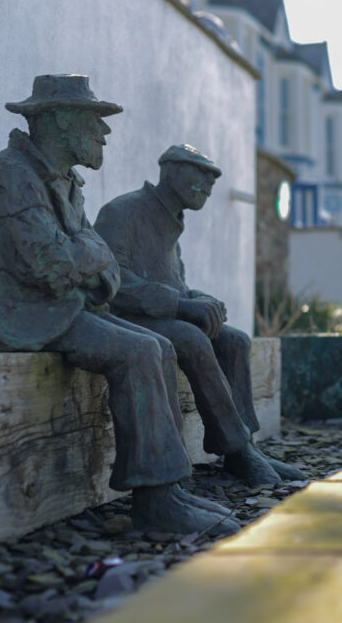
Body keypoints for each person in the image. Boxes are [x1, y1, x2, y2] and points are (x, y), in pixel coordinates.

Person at [0, 75, 237, 535]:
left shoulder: (65, 182)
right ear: (60, 122)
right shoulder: (7, 175)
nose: (105, 133)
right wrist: (88, 257)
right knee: (138, 352)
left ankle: (170, 488)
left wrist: (86, 259)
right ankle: (154, 503)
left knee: (158, 345)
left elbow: (106, 272)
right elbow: (53, 267)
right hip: (11, 316)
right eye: (95, 121)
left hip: (55, 308)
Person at [94, 144, 304, 488]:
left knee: (234, 340)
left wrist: (200, 300)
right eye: (200, 174)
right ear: (170, 171)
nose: (208, 185)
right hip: (125, 318)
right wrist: (180, 305)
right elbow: (113, 282)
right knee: (192, 340)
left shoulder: (171, 221)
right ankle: (237, 449)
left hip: (161, 314)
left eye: (212, 178)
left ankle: (242, 448)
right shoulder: (122, 212)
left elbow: (176, 283)